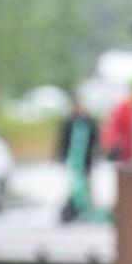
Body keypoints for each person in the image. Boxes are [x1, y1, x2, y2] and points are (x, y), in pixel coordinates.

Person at [56, 95, 100, 223]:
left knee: (86, 183)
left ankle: (86, 207)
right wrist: (62, 156)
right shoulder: (69, 122)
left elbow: (95, 138)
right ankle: (75, 207)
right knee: (75, 184)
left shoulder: (89, 121)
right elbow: (63, 141)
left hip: (86, 160)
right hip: (74, 160)